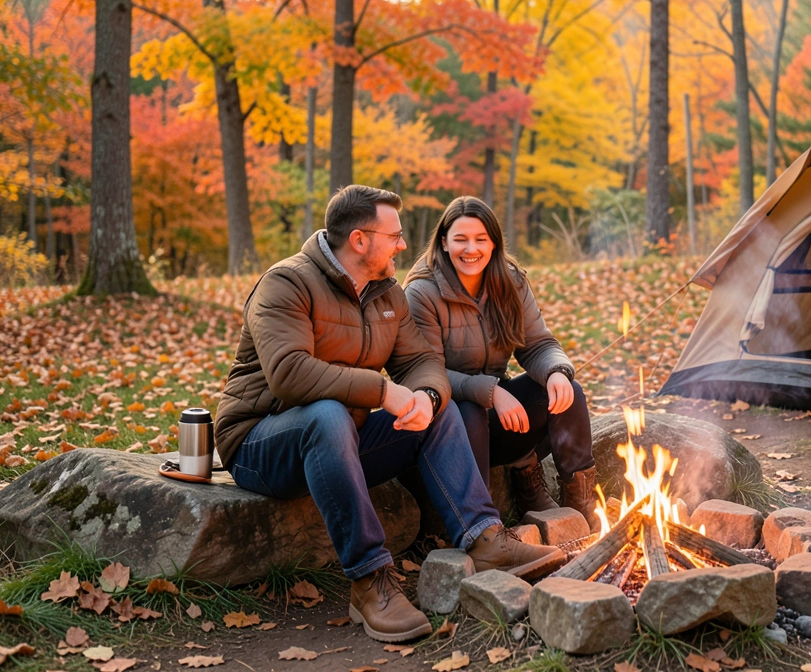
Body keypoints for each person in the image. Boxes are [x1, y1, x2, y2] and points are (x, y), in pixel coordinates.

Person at [215, 185, 565, 644]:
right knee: (327, 414)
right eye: (394, 235)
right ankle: (370, 580)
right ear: (360, 240)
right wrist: (384, 390)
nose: (404, 244)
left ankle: (484, 539)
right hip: (261, 442)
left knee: (439, 411)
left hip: (346, 437)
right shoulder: (286, 283)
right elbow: (289, 374)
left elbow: (422, 363)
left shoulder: (386, 294)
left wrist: (426, 397)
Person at [404, 196, 598, 532]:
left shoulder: (511, 281)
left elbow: (538, 344)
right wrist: (491, 392)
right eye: (460, 239)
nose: (471, 249)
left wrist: (556, 371)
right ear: (444, 243)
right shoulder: (422, 292)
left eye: (481, 239)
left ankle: (579, 508)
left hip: (497, 416)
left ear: (494, 243)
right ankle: (485, 529)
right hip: (448, 424)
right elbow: (423, 371)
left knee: (569, 393)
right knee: (469, 410)